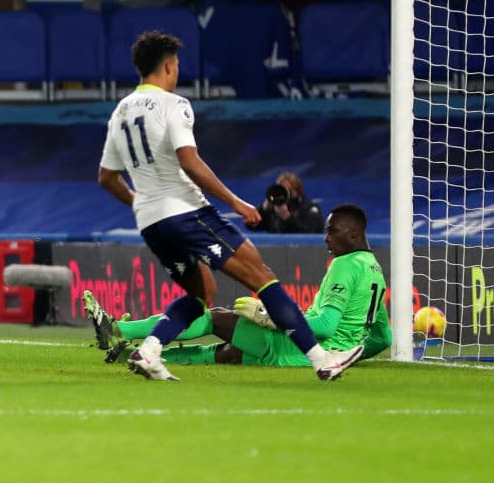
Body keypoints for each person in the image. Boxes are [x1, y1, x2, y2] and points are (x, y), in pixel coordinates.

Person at [97, 30, 362, 381]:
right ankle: (322, 359)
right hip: (185, 211)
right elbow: (190, 161)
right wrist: (235, 201)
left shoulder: (120, 112)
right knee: (262, 277)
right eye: (176, 65)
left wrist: (140, 202)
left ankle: (149, 351)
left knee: (202, 293)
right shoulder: (174, 105)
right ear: (168, 66)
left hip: (151, 222)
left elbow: (106, 177)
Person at [83, 203, 391, 369]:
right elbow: (382, 338)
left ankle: (119, 331)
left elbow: (325, 326)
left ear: (354, 235)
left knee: (214, 317)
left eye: (333, 232)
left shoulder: (345, 264)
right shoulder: (375, 272)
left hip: (293, 347)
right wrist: (350, 355)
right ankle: (128, 356)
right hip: (299, 359)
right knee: (224, 354)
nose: (326, 238)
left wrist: (271, 318)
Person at [247, 171, 324, 234]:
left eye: (289, 190)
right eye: (282, 190)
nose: (286, 195)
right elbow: (251, 225)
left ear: (298, 191)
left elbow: (313, 232)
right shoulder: (273, 209)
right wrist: (263, 210)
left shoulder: (309, 208)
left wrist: (287, 218)